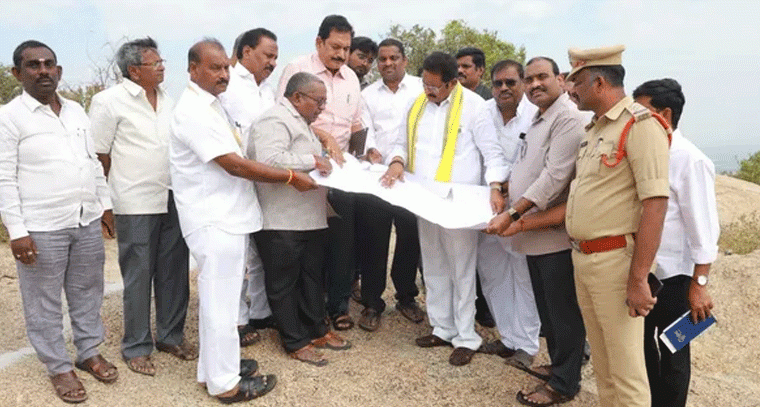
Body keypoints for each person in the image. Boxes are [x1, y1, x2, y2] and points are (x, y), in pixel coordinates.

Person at [170, 38, 314, 403]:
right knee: (220, 306)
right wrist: (290, 177)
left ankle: (213, 369)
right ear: (193, 69)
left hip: (226, 216)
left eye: (225, 67)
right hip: (214, 219)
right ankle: (225, 384)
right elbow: (233, 164)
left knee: (217, 301)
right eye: (214, 68)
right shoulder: (194, 111)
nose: (223, 74)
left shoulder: (211, 104)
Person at [0, 40, 118, 404]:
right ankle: (58, 366)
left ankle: (88, 352)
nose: (43, 70)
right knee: (43, 300)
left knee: (88, 291)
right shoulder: (9, 117)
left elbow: (92, 163)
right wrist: (17, 232)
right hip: (41, 226)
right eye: (33, 65)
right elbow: (4, 177)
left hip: (85, 219)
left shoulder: (76, 111)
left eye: (49, 63)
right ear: (17, 73)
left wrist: (105, 206)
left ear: (59, 70)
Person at [382, 52, 507, 366]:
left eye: (434, 86)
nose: (428, 90)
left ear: (453, 83)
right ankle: (442, 328)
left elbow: (492, 153)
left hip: (458, 202)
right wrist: (396, 162)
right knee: (433, 265)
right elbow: (400, 143)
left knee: (461, 270)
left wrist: (495, 186)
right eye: (425, 84)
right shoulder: (416, 104)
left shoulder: (476, 107)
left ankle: (466, 336)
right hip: (424, 198)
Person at [565, 45, 670, 407]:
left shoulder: (640, 126)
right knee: (605, 367)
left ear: (598, 82)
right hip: (585, 260)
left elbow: (655, 204)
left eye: (577, 81)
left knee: (626, 374)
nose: (572, 89)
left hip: (615, 263)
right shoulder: (595, 129)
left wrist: (639, 278)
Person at [89, 37, 194, 377]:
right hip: (134, 200)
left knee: (174, 271)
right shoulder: (108, 102)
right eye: (155, 63)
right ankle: (136, 346)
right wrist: (105, 204)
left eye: (162, 61)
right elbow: (99, 155)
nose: (162, 67)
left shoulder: (167, 98)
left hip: (172, 196)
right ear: (134, 71)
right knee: (138, 276)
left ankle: (170, 336)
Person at [486, 56, 586, 406]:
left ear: (560, 78)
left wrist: (513, 213)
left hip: (554, 234)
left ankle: (564, 384)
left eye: (541, 77)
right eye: (529, 79)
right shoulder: (541, 117)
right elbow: (525, 165)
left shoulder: (568, 118)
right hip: (534, 235)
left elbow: (555, 178)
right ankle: (559, 366)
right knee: (549, 311)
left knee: (563, 312)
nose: (534, 85)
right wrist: (504, 188)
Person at [252, 72, 352, 366]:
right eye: (318, 101)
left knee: (311, 278)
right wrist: (313, 161)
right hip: (282, 219)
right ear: (297, 97)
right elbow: (268, 160)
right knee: (284, 283)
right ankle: (294, 341)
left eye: (324, 101)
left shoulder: (303, 123)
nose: (322, 107)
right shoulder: (274, 119)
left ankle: (317, 329)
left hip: (310, 216)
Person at [633, 78, 718, 407]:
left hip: (676, 279)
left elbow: (704, 229)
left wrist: (699, 284)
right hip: (643, 275)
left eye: (642, 112)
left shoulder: (689, 159)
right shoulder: (645, 154)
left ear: (664, 114)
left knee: (674, 354)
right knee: (640, 350)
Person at [277, 15, 363, 331]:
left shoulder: (352, 78)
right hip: (307, 169)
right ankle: (305, 311)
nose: (341, 54)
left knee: (342, 243)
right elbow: (284, 116)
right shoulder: (297, 70)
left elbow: (356, 125)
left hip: (341, 174)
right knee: (309, 245)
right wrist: (324, 137)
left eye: (346, 48)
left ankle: (338, 307)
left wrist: (363, 157)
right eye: (335, 47)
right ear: (319, 42)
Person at [355, 38, 425, 331]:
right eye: (382, 59)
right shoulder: (367, 94)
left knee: (410, 238)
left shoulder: (421, 88)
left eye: (393, 58)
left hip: (412, 177)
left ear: (404, 60)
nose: (387, 64)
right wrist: (370, 150)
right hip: (378, 178)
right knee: (374, 240)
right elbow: (364, 128)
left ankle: (406, 297)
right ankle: (372, 303)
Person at [475, 59, 540, 361]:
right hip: (490, 204)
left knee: (522, 277)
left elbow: (534, 160)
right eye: (498, 83)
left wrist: (507, 186)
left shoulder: (536, 113)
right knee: (492, 274)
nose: (504, 88)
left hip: (524, 207)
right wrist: (495, 185)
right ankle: (508, 338)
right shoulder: (484, 111)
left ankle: (527, 345)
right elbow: (490, 153)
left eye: (510, 82)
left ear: (523, 83)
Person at [219, 27, 279, 346]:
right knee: (238, 252)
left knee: (259, 251)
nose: (272, 63)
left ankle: (260, 311)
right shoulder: (228, 86)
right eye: (268, 55)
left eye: (275, 58)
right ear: (246, 52)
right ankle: (237, 321)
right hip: (235, 179)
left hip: (265, 179)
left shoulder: (268, 90)